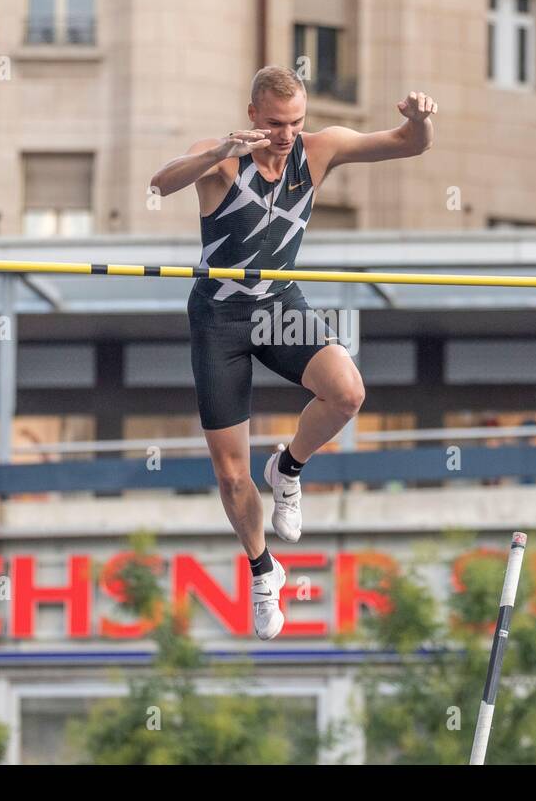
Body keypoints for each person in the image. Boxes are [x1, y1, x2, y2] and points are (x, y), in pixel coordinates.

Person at [150, 66, 437, 640]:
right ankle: (262, 571)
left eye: (296, 122)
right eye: (276, 123)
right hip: (219, 317)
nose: (286, 134)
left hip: (278, 304)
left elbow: (408, 146)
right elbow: (160, 184)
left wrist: (420, 122)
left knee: (347, 391)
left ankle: (288, 466)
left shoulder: (318, 149)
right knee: (231, 476)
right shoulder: (221, 157)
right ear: (253, 114)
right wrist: (218, 154)